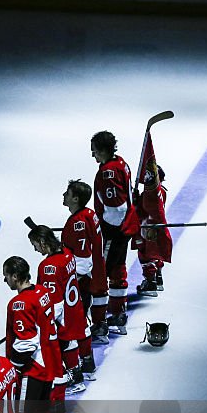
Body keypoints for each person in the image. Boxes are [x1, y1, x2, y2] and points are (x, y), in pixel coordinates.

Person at [2, 256, 62, 413]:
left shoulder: (19, 304)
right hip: (48, 366)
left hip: (32, 369)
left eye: (6, 275)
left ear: (16, 276)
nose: (4, 279)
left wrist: (11, 367)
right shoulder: (42, 292)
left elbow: (26, 343)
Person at [28, 225, 89, 395]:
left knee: (53, 350)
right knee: (70, 341)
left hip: (62, 315)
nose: (35, 249)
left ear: (42, 242)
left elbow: (54, 303)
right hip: (74, 309)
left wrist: (44, 321)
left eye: (35, 245)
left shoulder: (48, 266)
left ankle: (71, 379)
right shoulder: (67, 253)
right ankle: (76, 374)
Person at [91, 131, 136, 336]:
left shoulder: (108, 172)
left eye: (94, 151)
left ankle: (100, 323)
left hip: (114, 229)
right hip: (125, 227)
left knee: (100, 274)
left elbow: (116, 207)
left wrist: (104, 228)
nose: (93, 156)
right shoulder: (120, 163)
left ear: (102, 150)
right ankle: (118, 314)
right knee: (117, 269)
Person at [62, 179, 107, 377]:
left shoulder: (77, 222)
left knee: (75, 323)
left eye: (67, 193)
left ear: (76, 198)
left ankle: (82, 363)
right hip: (90, 276)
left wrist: (73, 278)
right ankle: (86, 360)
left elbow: (82, 257)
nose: (64, 195)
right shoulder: (89, 215)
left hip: (79, 281)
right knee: (81, 320)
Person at [132, 163, 172, 297]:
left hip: (146, 228)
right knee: (156, 252)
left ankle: (150, 282)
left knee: (145, 254)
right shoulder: (162, 191)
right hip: (157, 226)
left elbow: (142, 209)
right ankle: (158, 278)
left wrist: (135, 201)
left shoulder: (149, 194)